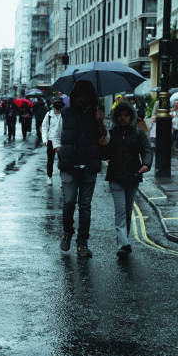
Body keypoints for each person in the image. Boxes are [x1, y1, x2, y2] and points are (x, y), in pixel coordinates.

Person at [52, 80, 108, 258]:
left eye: (86, 95)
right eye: (79, 95)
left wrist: (100, 124)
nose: (82, 99)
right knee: (69, 202)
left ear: (90, 97)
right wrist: (59, 150)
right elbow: (56, 135)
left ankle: (82, 242)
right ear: (75, 96)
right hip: (69, 166)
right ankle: (67, 232)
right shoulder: (66, 113)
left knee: (85, 207)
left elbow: (105, 142)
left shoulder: (97, 115)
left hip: (89, 166)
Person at [102, 101, 153, 257]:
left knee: (128, 210)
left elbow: (147, 151)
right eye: (120, 115)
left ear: (131, 116)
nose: (123, 118)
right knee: (120, 212)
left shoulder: (138, 133)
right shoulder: (111, 133)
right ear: (116, 117)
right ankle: (123, 244)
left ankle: (124, 241)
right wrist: (102, 142)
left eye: (126, 115)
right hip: (115, 177)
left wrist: (146, 165)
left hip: (133, 176)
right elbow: (105, 155)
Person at [41, 97, 64, 185]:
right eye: (56, 103)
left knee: (62, 161)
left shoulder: (64, 115)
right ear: (53, 105)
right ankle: (49, 177)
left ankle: (63, 179)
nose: (57, 105)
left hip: (61, 141)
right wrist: (44, 139)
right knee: (50, 160)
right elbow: (44, 127)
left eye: (59, 103)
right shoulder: (49, 115)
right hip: (50, 140)